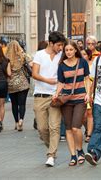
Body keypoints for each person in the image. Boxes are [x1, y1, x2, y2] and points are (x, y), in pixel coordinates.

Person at [32, 31, 66, 167]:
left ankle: (51, 155)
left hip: (55, 96)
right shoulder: (39, 55)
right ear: (51, 43)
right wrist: (48, 80)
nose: (61, 48)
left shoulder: (61, 56)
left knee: (54, 127)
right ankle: (51, 148)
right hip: (40, 95)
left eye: (62, 45)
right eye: (59, 45)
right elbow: (34, 74)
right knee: (42, 128)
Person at [54, 41, 90, 166]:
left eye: (70, 50)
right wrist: (56, 94)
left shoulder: (82, 62)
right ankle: (73, 155)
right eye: (66, 50)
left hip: (80, 98)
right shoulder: (61, 65)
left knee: (76, 127)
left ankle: (80, 150)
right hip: (66, 100)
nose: (68, 52)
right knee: (68, 129)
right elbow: (61, 83)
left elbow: (87, 78)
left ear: (75, 50)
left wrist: (88, 93)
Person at [5, 40, 31, 131]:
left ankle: (16, 123)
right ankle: (21, 120)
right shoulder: (22, 56)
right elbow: (30, 61)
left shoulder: (6, 58)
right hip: (23, 83)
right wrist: (22, 52)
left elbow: (7, 72)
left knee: (14, 104)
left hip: (11, 84)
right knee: (22, 104)